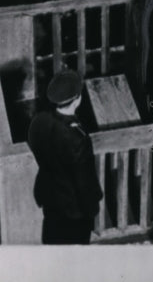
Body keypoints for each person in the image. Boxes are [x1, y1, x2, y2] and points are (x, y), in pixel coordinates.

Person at [28, 69, 103, 244]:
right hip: (74, 209)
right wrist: (92, 209)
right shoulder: (77, 137)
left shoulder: (39, 121)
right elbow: (83, 181)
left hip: (50, 197)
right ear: (77, 100)